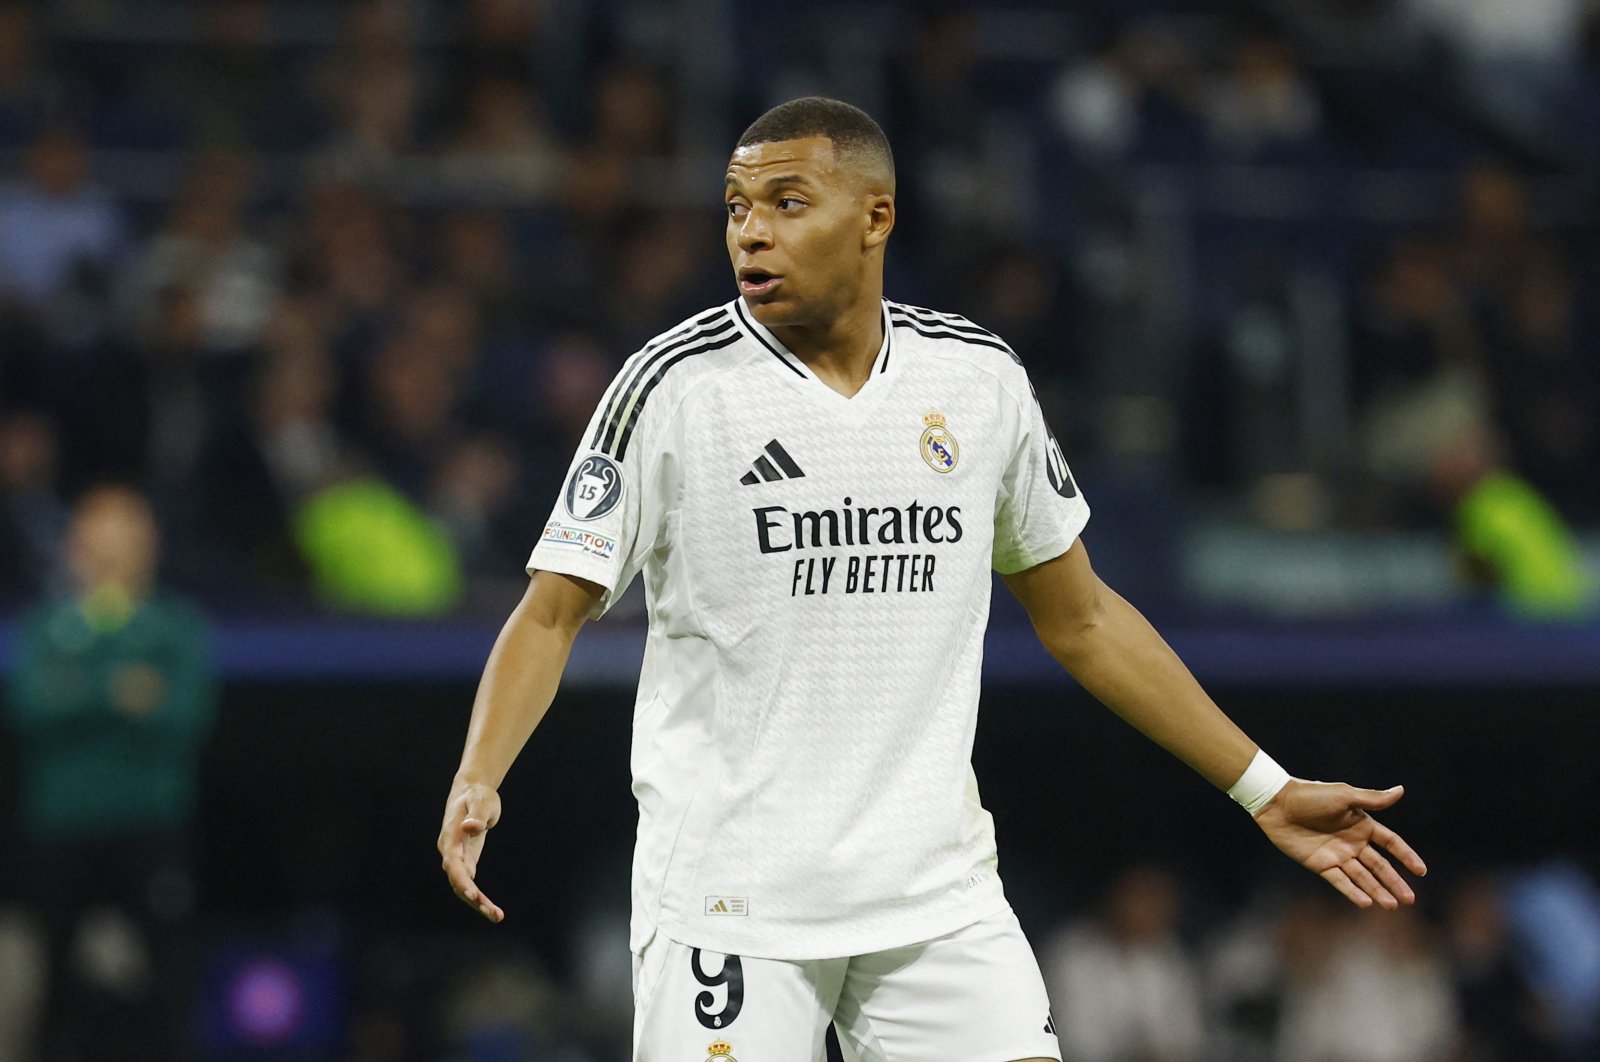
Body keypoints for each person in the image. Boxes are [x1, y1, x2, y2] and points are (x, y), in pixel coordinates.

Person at [436, 97, 1427, 1062]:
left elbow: (1080, 618)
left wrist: (1261, 788)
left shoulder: (976, 381)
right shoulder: (671, 388)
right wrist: (480, 774)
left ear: (875, 217)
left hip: (933, 899)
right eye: (736, 208)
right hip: (729, 901)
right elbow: (548, 613)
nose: (751, 234)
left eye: (786, 202)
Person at [4, 484, 216, 1061]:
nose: (113, 552)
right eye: (101, 538)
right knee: (51, 970)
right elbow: (33, 708)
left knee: (168, 965)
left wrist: (82, 692)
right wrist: (121, 690)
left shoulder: (175, 626)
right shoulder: (48, 627)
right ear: (75, 546)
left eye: (127, 537)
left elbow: (185, 713)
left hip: (151, 824)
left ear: (150, 545)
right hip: (61, 827)